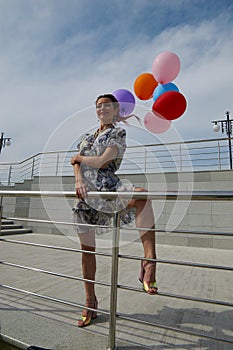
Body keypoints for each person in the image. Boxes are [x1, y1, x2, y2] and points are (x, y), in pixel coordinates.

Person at [71, 94, 157, 328]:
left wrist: (78, 157)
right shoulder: (88, 137)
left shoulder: (118, 133)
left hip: (108, 188)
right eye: (98, 105)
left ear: (115, 110)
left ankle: (150, 262)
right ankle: (90, 302)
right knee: (87, 251)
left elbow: (99, 162)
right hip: (85, 197)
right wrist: (78, 179)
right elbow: (77, 165)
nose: (101, 108)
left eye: (106, 105)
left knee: (141, 195)